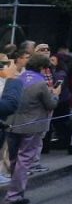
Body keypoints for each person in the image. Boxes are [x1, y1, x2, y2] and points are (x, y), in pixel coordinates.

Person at [6, 54, 60, 204]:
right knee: (24, 161)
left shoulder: (17, 78)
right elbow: (51, 105)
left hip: (12, 124)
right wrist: (55, 95)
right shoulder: (41, 84)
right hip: (32, 125)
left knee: (14, 160)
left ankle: (15, 192)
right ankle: (14, 196)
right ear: (42, 68)